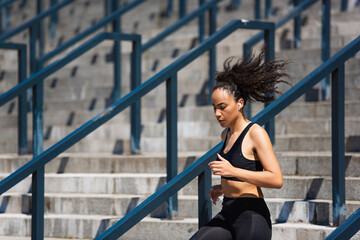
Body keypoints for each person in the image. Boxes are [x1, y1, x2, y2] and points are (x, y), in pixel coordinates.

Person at [193, 50, 291, 240]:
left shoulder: (256, 134)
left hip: (252, 216)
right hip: (228, 211)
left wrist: (233, 172)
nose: (217, 114)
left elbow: (276, 179)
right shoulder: (226, 134)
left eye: (222, 107)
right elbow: (240, 170)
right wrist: (224, 187)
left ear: (239, 103)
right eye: (214, 108)